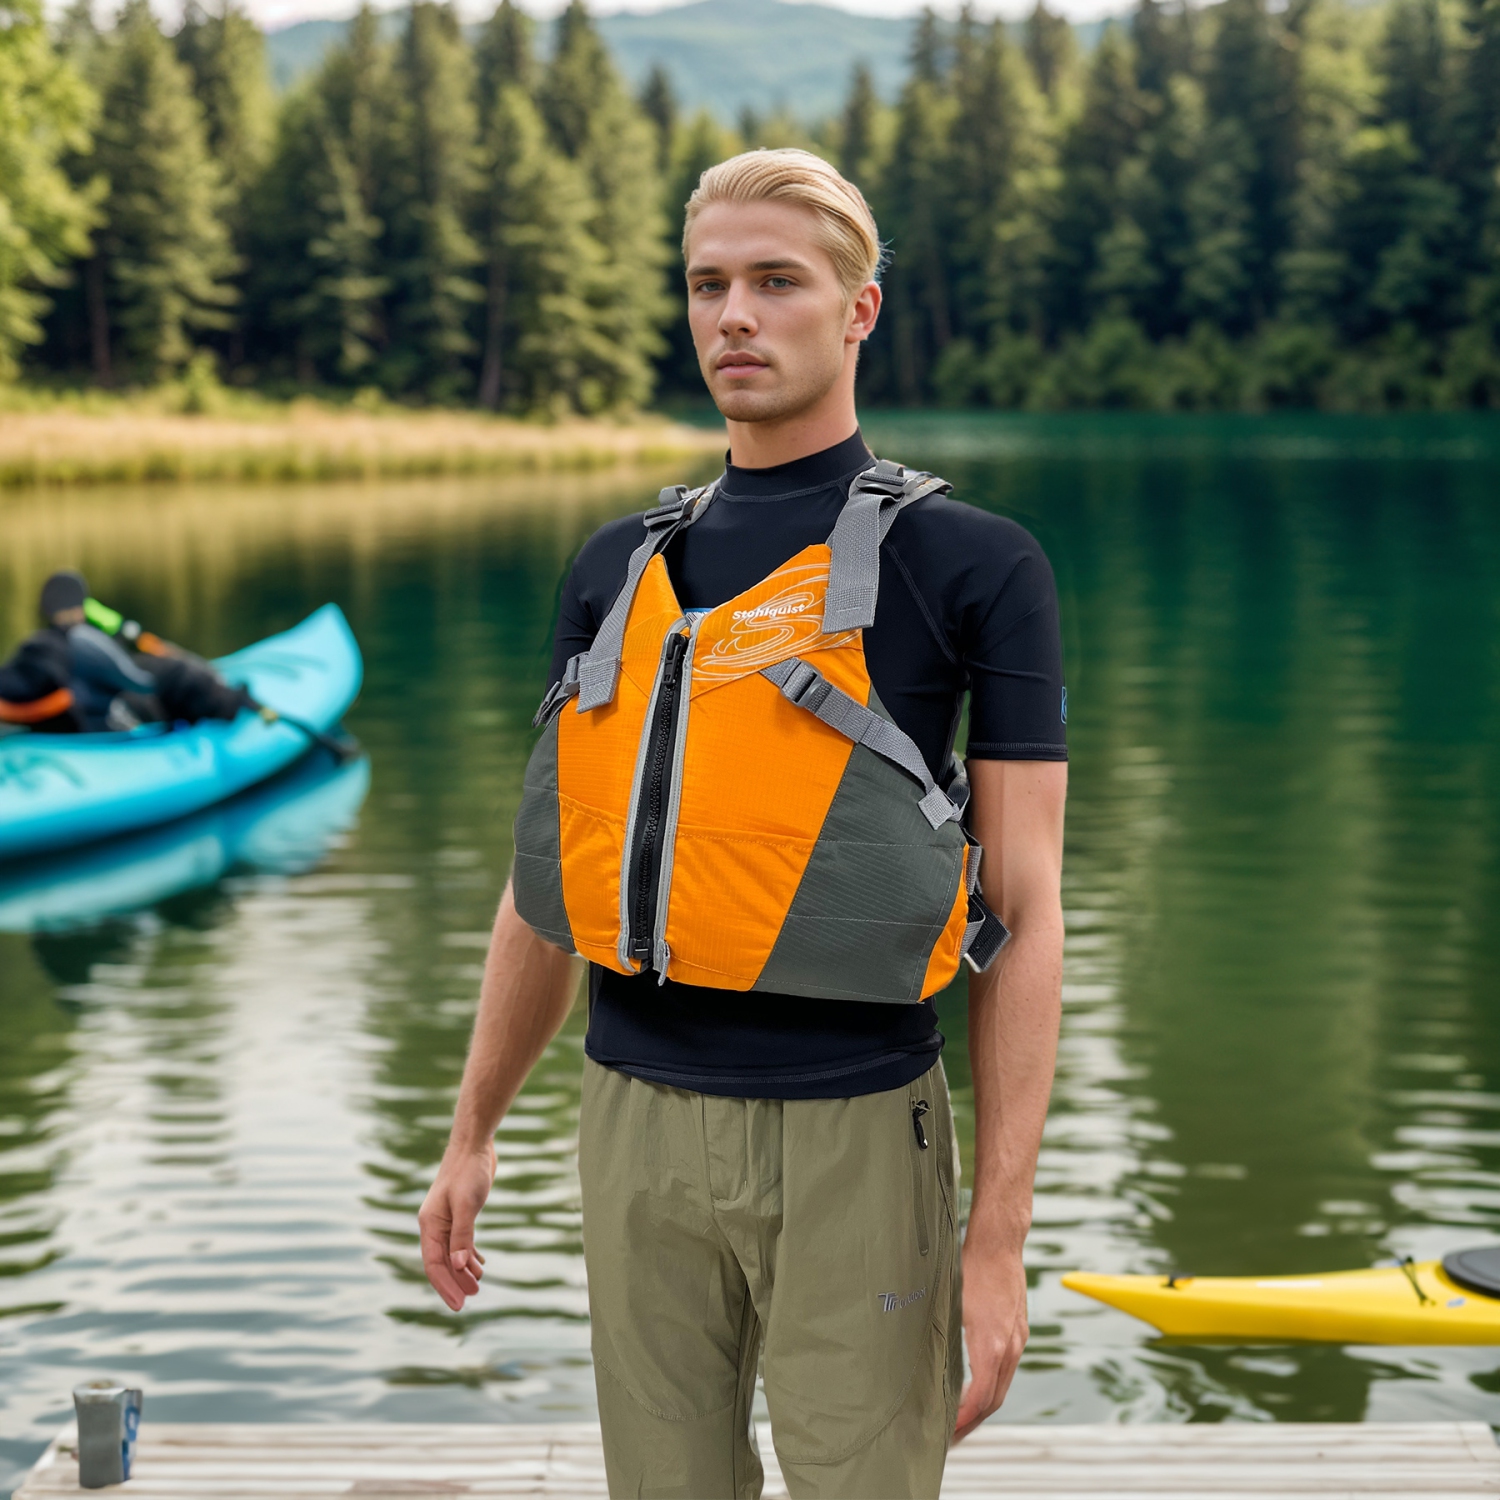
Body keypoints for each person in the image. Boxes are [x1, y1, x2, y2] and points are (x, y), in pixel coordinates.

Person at [418, 149, 1067, 1500]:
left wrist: (995, 1236)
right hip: (634, 1126)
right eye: (709, 284)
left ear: (859, 311)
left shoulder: (975, 566)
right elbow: (556, 884)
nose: (735, 317)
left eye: (778, 282)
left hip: (856, 1133)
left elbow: (1029, 909)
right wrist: (474, 1129)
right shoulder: (616, 567)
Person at [0, 570, 252, 733]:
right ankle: (230, 703)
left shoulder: (36, 647)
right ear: (80, 610)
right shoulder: (83, 644)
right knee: (170, 674)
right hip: (102, 717)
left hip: (73, 714)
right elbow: (145, 681)